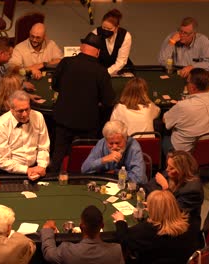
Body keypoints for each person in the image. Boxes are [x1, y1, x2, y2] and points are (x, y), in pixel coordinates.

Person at [50, 32, 115, 172]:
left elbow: (55, 86)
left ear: (81, 47)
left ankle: (52, 181)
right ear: (98, 53)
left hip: (63, 120)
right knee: (85, 158)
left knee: (58, 155)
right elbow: (108, 101)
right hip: (87, 125)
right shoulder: (101, 71)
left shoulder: (66, 62)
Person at [112, 190, 200, 263]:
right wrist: (155, 206)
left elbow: (124, 239)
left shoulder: (148, 230)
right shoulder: (189, 222)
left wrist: (120, 221)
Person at [0, 90, 50, 180]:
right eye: (20, 111)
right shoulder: (1, 125)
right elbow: (2, 160)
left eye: (27, 109)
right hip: (10, 173)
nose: (25, 114)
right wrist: (26, 170)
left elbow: (43, 147)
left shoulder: (38, 117)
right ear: (11, 109)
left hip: (36, 168)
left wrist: (41, 166)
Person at [163, 68, 209, 153]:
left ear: (193, 87)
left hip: (183, 153)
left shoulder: (183, 106)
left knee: (163, 137)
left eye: (187, 82)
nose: (186, 84)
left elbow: (165, 120)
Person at [143, 150, 204, 236]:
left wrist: (165, 187)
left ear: (182, 170)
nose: (167, 169)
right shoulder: (172, 173)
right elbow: (150, 186)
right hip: (166, 220)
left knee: (141, 233)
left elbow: (175, 212)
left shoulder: (193, 190)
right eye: (168, 165)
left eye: (171, 168)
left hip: (181, 229)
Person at [40, 205, 124, 264]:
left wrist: (47, 229)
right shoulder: (116, 251)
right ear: (102, 226)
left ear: (81, 226)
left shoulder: (66, 251)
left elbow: (49, 254)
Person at [81, 120, 146, 184]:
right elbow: (84, 169)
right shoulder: (102, 143)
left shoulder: (134, 147)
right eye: (111, 143)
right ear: (106, 140)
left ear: (125, 139)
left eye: (118, 143)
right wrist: (103, 160)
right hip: (106, 184)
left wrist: (115, 173)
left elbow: (139, 179)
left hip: (128, 187)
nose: (114, 147)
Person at [92, 9, 132, 75]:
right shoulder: (95, 33)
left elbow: (121, 61)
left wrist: (105, 73)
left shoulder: (126, 36)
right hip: (100, 69)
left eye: (109, 29)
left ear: (117, 28)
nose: (105, 30)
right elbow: (91, 56)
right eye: (104, 28)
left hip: (120, 70)